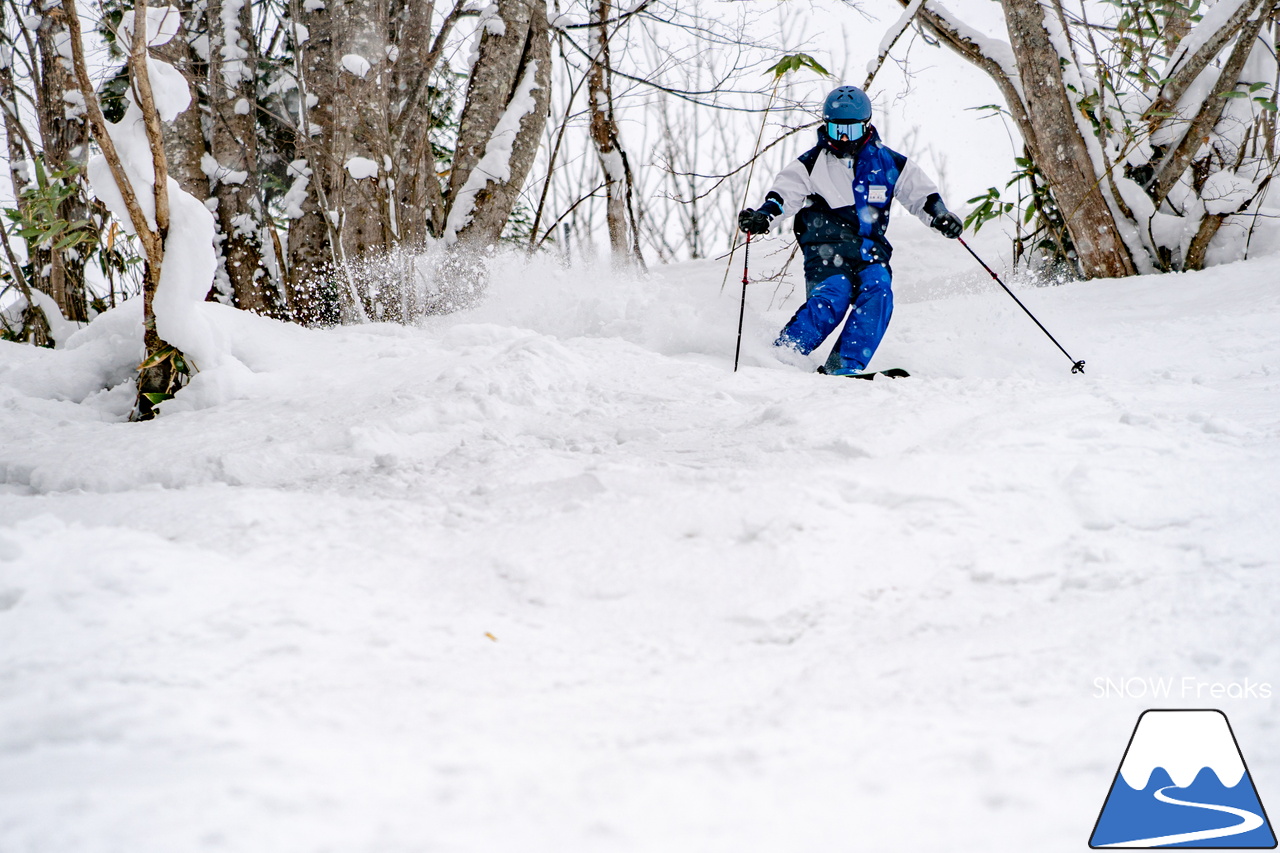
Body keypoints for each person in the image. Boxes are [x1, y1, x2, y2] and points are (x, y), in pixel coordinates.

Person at [738, 85, 963, 376]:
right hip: (825, 249)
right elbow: (783, 196)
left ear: (866, 127)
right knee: (835, 294)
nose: (843, 138)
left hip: (870, 250)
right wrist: (763, 217)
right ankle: (783, 355)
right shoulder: (810, 164)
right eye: (836, 129)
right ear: (825, 125)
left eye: (851, 131)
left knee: (879, 290)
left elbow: (922, 196)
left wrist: (940, 216)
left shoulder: (889, 163)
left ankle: (844, 366)